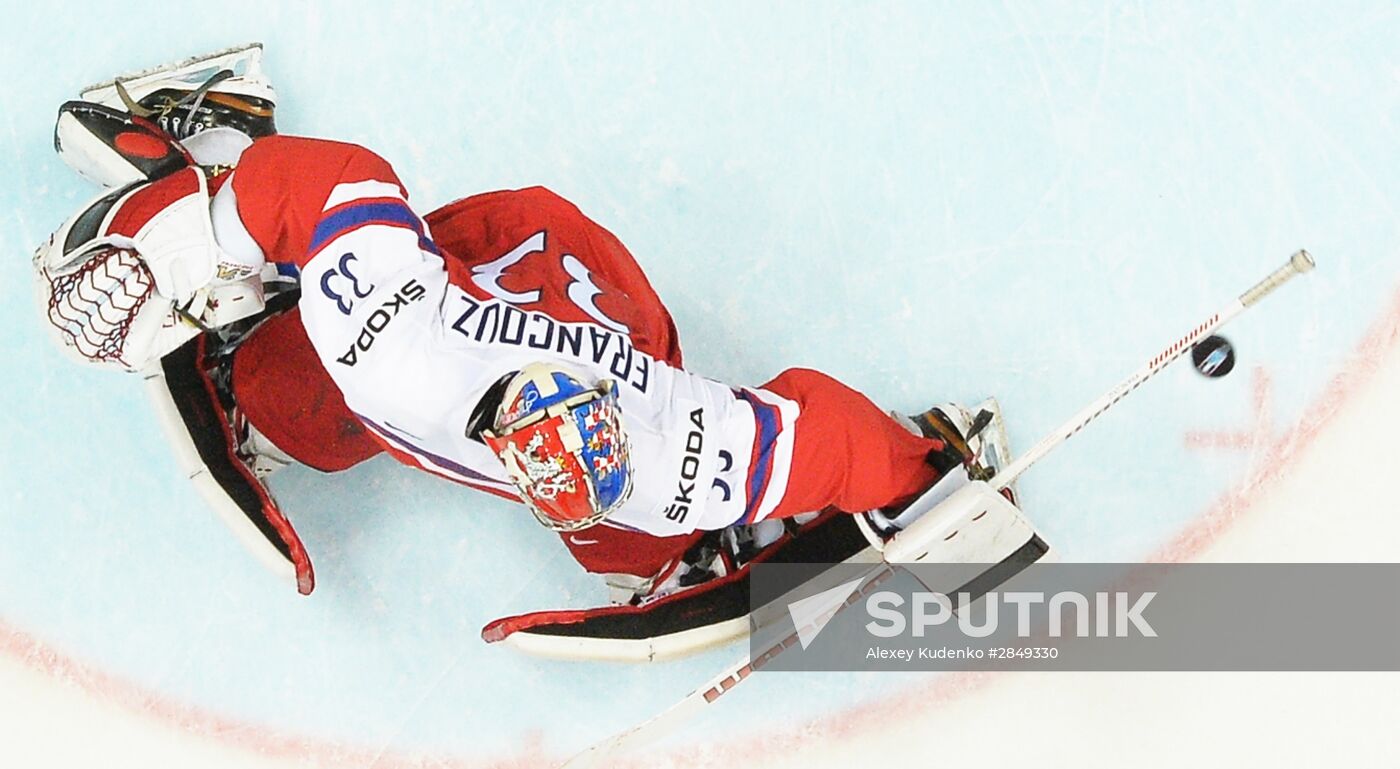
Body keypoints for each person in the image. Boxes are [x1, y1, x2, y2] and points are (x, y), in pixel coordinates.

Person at [34, 46, 978, 603]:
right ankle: (210, 145)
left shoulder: (677, 464)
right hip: (493, 268)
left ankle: (654, 560)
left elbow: (824, 428)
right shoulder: (397, 353)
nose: (546, 488)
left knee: (639, 528)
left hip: (601, 314)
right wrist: (180, 245)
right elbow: (339, 183)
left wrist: (922, 489)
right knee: (289, 393)